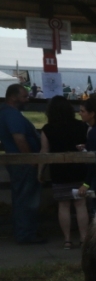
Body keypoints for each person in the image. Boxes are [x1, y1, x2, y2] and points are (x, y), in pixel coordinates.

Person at [39, 96, 90, 249]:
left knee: (64, 206)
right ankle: (83, 238)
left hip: (59, 171)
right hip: (79, 170)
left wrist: (40, 171)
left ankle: (67, 240)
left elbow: (44, 151)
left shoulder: (47, 129)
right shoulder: (82, 126)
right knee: (81, 204)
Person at [0, 83, 45, 244]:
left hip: (17, 161)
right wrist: (31, 159)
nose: (27, 99)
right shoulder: (13, 115)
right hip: (22, 162)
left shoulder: (7, 113)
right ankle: (26, 234)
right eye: (24, 96)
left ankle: (24, 231)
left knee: (21, 197)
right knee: (27, 199)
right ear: (13, 97)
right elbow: (19, 139)